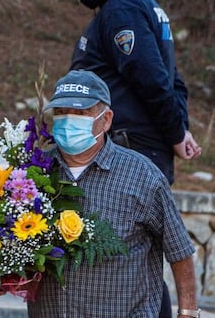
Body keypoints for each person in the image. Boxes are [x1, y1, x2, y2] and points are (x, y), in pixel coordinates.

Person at [27, 70, 200, 318]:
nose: (68, 120)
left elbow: (179, 251)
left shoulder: (142, 176)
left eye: (80, 113)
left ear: (106, 119)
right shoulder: (33, 174)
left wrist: (188, 312)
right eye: (61, 112)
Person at [58, 0, 201, 187]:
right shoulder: (136, 3)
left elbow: (153, 80)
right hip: (140, 150)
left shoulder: (122, 10)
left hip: (130, 153)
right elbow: (173, 78)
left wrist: (177, 135)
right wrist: (180, 129)